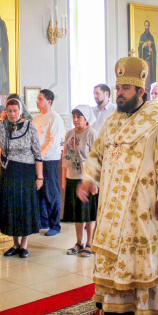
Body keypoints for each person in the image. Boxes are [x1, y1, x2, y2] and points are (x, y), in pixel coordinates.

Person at [77, 57, 158, 315]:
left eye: (125, 88)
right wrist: (88, 178)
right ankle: (115, 302)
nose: (119, 93)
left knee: (140, 256)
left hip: (144, 206)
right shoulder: (113, 121)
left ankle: (143, 305)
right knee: (114, 251)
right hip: (112, 204)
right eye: (117, 87)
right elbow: (97, 152)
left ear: (141, 91)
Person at [0, 98, 43, 258]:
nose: (13, 114)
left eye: (15, 111)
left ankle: (24, 244)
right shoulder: (1, 127)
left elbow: (37, 153)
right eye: (10, 111)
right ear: (6, 112)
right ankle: (15, 244)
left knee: (24, 207)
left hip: (26, 173)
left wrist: (40, 177)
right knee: (11, 208)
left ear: (20, 111)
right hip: (8, 172)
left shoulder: (30, 127)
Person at [62, 105, 98, 257]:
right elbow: (65, 157)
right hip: (72, 176)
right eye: (74, 116)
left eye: (79, 117)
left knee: (88, 213)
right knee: (77, 213)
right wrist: (64, 179)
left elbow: (97, 159)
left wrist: (94, 182)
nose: (75, 120)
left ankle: (89, 243)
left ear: (86, 118)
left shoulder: (92, 134)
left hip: (87, 180)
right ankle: (79, 242)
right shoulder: (69, 134)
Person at [33, 89, 65, 236]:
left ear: (49, 101)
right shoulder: (36, 118)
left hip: (50, 159)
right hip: (38, 160)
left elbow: (53, 142)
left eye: (40, 99)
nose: (37, 101)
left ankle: (55, 225)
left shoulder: (55, 118)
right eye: (37, 99)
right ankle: (43, 221)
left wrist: (41, 157)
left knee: (51, 192)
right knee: (40, 192)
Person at [138, 20, 157, 86]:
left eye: (148, 25)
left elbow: (154, 50)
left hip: (150, 60)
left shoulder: (151, 37)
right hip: (145, 60)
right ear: (144, 26)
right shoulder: (142, 36)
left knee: (150, 75)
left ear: (149, 26)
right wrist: (143, 46)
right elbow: (139, 48)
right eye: (146, 25)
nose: (147, 27)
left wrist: (152, 50)